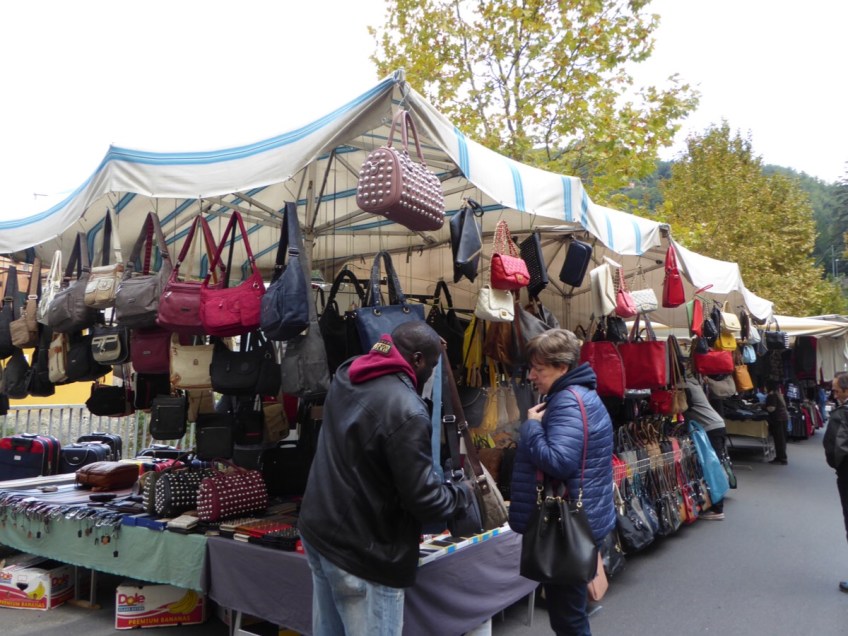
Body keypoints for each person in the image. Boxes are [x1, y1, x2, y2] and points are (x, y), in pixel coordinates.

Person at [298, 321, 471, 636]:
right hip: (364, 552)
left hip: (319, 531)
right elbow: (426, 502)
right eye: (431, 366)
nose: (430, 374)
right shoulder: (407, 410)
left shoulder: (349, 372)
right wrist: (462, 493)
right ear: (417, 359)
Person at [509, 328, 615, 636]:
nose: (531, 376)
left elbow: (559, 462)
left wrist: (530, 428)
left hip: (565, 526)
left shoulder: (567, 401)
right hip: (580, 519)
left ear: (563, 368)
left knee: (568, 618)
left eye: (538, 369)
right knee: (570, 613)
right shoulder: (583, 395)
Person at [683, 375, 729, 520]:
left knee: (712, 466)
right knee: (716, 464)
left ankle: (718, 509)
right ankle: (717, 500)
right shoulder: (695, 383)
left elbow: (681, 407)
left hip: (710, 428)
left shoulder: (684, 386)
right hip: (716, 425)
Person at [823, 371, 848, 593]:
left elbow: (836, 447)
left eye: (836, 388)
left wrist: (837, 465)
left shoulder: (843, 413)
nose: (834, 392)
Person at [765, 380, 789, 465]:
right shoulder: (779, 394)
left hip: (778, 419)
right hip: (783, 418)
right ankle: (780, 457)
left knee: (779, 440)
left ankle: (782, 458)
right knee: (781, 440)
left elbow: (771, 408)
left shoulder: (772, 395)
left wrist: (763, 407)